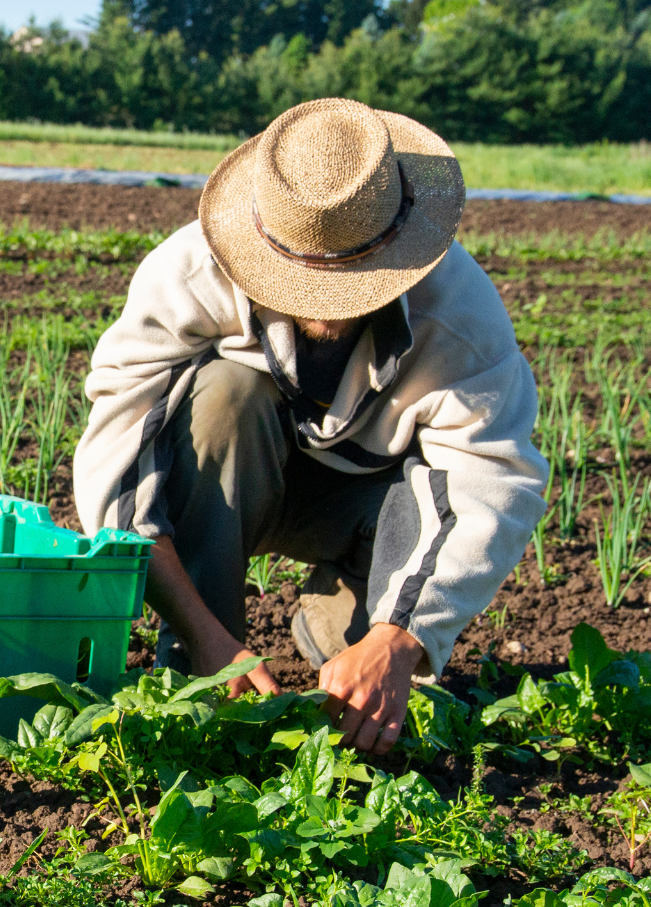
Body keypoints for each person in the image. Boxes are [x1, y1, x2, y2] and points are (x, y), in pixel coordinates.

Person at [72, 97, 548, 756]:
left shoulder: (458, 315)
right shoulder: (188, 274)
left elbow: (491, 482)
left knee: (372, 690)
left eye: (352, 279)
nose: (326, 306)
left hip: (364, 507)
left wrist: (399, 641)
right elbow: (118, 468)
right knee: (222, 395)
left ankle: (343, 622)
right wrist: (209, 640)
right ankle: (199, 670)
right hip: (235, 481)